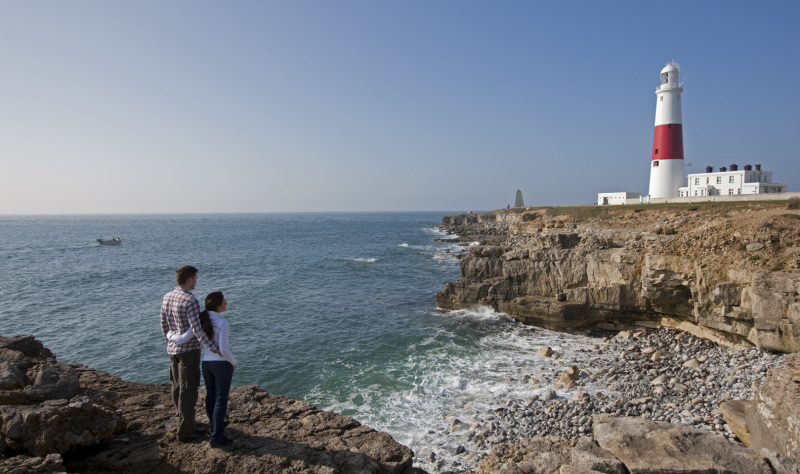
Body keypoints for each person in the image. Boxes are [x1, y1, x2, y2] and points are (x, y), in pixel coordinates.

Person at [160, 265, 220, 442]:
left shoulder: (167, 297)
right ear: (188, 280)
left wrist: (169, 343)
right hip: (189, 351)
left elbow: (163, 324)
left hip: (173, 350)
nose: (196, 281)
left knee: (177, 386)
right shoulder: (190, 301)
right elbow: (197, 329)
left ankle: (184, 421)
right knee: (188, 389)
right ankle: (186, 431)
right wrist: (214, 348)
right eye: (195, 278)